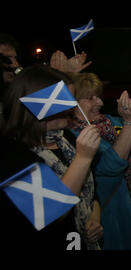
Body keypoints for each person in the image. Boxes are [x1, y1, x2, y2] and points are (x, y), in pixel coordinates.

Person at [0, 64, 102, 249]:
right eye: (65, 99)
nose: (73, 106)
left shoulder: (67, 138)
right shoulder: (10, 154)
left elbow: (92, 191)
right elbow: (50, 212)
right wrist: (83, 158)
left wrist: (94, 218)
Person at [68, 72, 131, 250]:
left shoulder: (110, 121)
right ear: (73, 102)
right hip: (112, 212)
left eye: (99, 96)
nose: (100, 102)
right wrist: (129, 123)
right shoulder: (74, 136)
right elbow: (110, 167)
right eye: (91, 98)